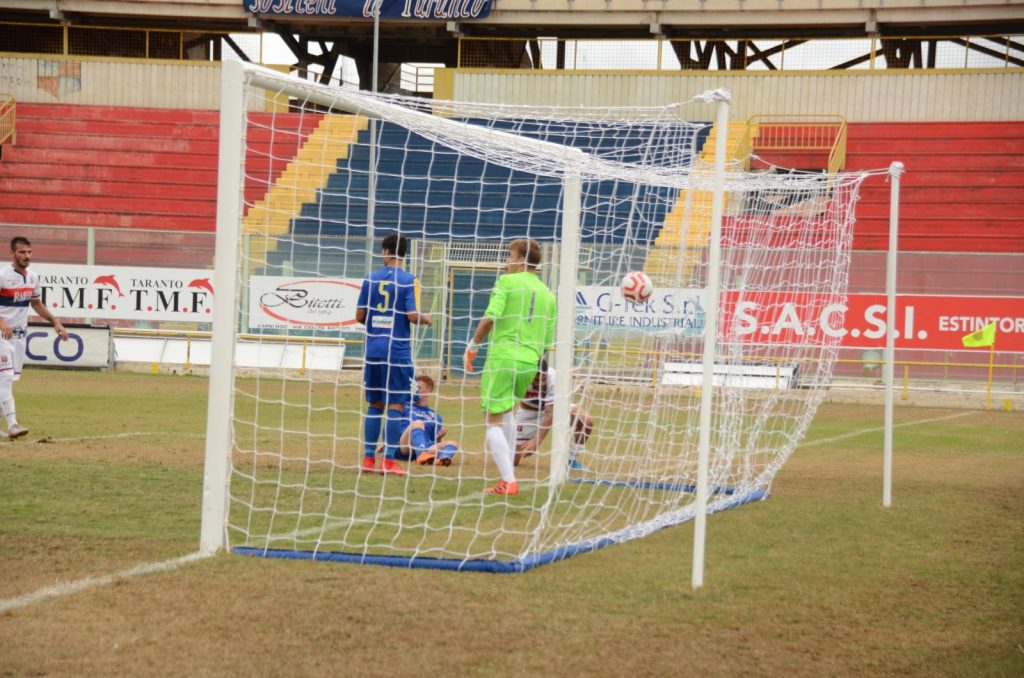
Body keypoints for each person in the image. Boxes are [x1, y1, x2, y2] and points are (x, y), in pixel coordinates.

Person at [464, 238, 556, 496]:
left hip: (503, 357)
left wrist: (473, 345)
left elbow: (490, 318)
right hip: (530, 362)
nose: (507, 261)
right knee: (507, 412)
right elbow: (547, 340)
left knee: (492, 420)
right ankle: (510, 473)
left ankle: (508, 480)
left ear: (521, 260)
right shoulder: (548, 295)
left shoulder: (506, 282)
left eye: (510, 256)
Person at [355, 232, 432, 476]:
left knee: (375, 404)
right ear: (404, 254)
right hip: (397, 351)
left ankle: (368, 459)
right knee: (396, 405)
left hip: (373, 350)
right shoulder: (410, 280)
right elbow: (412, 315)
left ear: (385, 252)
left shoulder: (370, 278)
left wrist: (378, 322)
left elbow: (359, 316)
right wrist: (426, 319)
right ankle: (388, 461)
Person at [0, 236, 69, 440]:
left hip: (19, 338)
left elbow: (36, 303)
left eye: (29, 252)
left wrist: (55, 322)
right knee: (5, 379)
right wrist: (1, 322)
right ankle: (13, 425)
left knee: (8, 381)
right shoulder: (2, 276)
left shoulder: (33, 277)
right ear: (12, 253)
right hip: (2, 335)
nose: (27, 256)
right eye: (22, 252)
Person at [513, 359, 593, 471]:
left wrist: (537, 440)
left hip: (558, 409)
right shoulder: (520, 376)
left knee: (586, 421)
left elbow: (550, 412)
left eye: (543, 379)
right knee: (513, 461)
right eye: (536, 380)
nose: (541, 383)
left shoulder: (554, 377)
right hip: (528, 414)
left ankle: (570, 459)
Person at [377, 374, 460, 467]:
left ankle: (442, 459)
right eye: (414, 388)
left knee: (453, 443)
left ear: (429, 390)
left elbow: (434, 441)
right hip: (403, 447)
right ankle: (421, 454)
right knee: (418, 423)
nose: (415, 391)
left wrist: (438, 437)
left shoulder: (436, 417)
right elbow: (390, 425)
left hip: (424, 447)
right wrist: (386, 444)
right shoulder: (403, 406)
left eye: (419, 388)